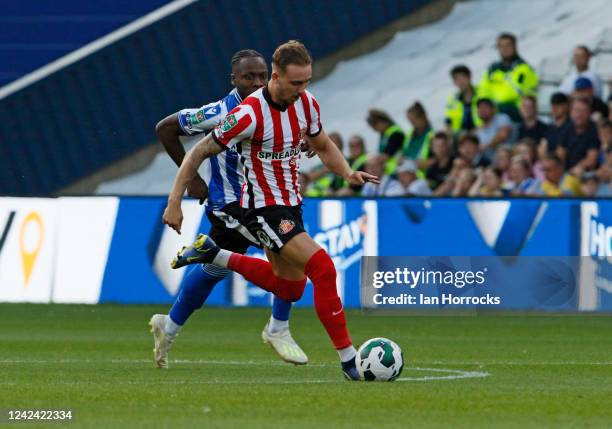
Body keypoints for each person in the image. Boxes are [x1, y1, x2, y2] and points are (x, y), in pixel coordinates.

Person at [162, 41, 378, 381]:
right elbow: (199, 151)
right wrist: (176, 200)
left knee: (291, 289)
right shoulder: (247, 113)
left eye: (307, 81)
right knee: (322, 268)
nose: (302, 89)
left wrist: (347, 172)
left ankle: (217, 255)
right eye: (296, 83)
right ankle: (349, 360)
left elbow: (322, 145)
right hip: (260, 209)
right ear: (275, 78)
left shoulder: (307, 104)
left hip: (291, 204)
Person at [149, 50, 307, 368]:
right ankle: (279, 328)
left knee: (214, 271)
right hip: (233, 206)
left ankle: (169, 325)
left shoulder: (277, 107)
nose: (257, 82)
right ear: (233, 79)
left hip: (265, 203)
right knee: (290, 254)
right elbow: (165, 128)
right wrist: (190, 180)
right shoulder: (221, 112)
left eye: (262, 76)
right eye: (249, 77)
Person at [479, 32, 538, 122]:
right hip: (495, 115)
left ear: (515, 46)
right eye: (501, 46)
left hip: (517, 114)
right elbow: (483, 92)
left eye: (508, 45)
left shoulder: (524, 68)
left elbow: (517, 93)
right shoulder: (491, 70)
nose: (504, 49)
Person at [557, 97, 601, 173]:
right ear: (571, 113)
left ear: (589, 113)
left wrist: (573, 171)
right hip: (566, 173)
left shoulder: (595, 130)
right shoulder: (567, 128)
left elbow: (591, 160)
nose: (579, 114)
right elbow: (560, 154)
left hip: (587, 174)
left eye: (583, 111)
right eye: (576, 110)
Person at [366, 109, 406, 175]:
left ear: (381, 122)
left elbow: (387, 155)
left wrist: (372, 159)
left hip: (398, 170)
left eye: (375, 127)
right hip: (390, 172)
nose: (375, 130)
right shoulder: (384, 135)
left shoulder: (395, 133)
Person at [445, 64, 481, 135]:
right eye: (457, 79)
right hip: (460, 136)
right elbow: (448, 122)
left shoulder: (482, 93)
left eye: (463, 78)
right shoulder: (453, 99)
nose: (461, 82)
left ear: (469, 77)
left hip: (481, 131)